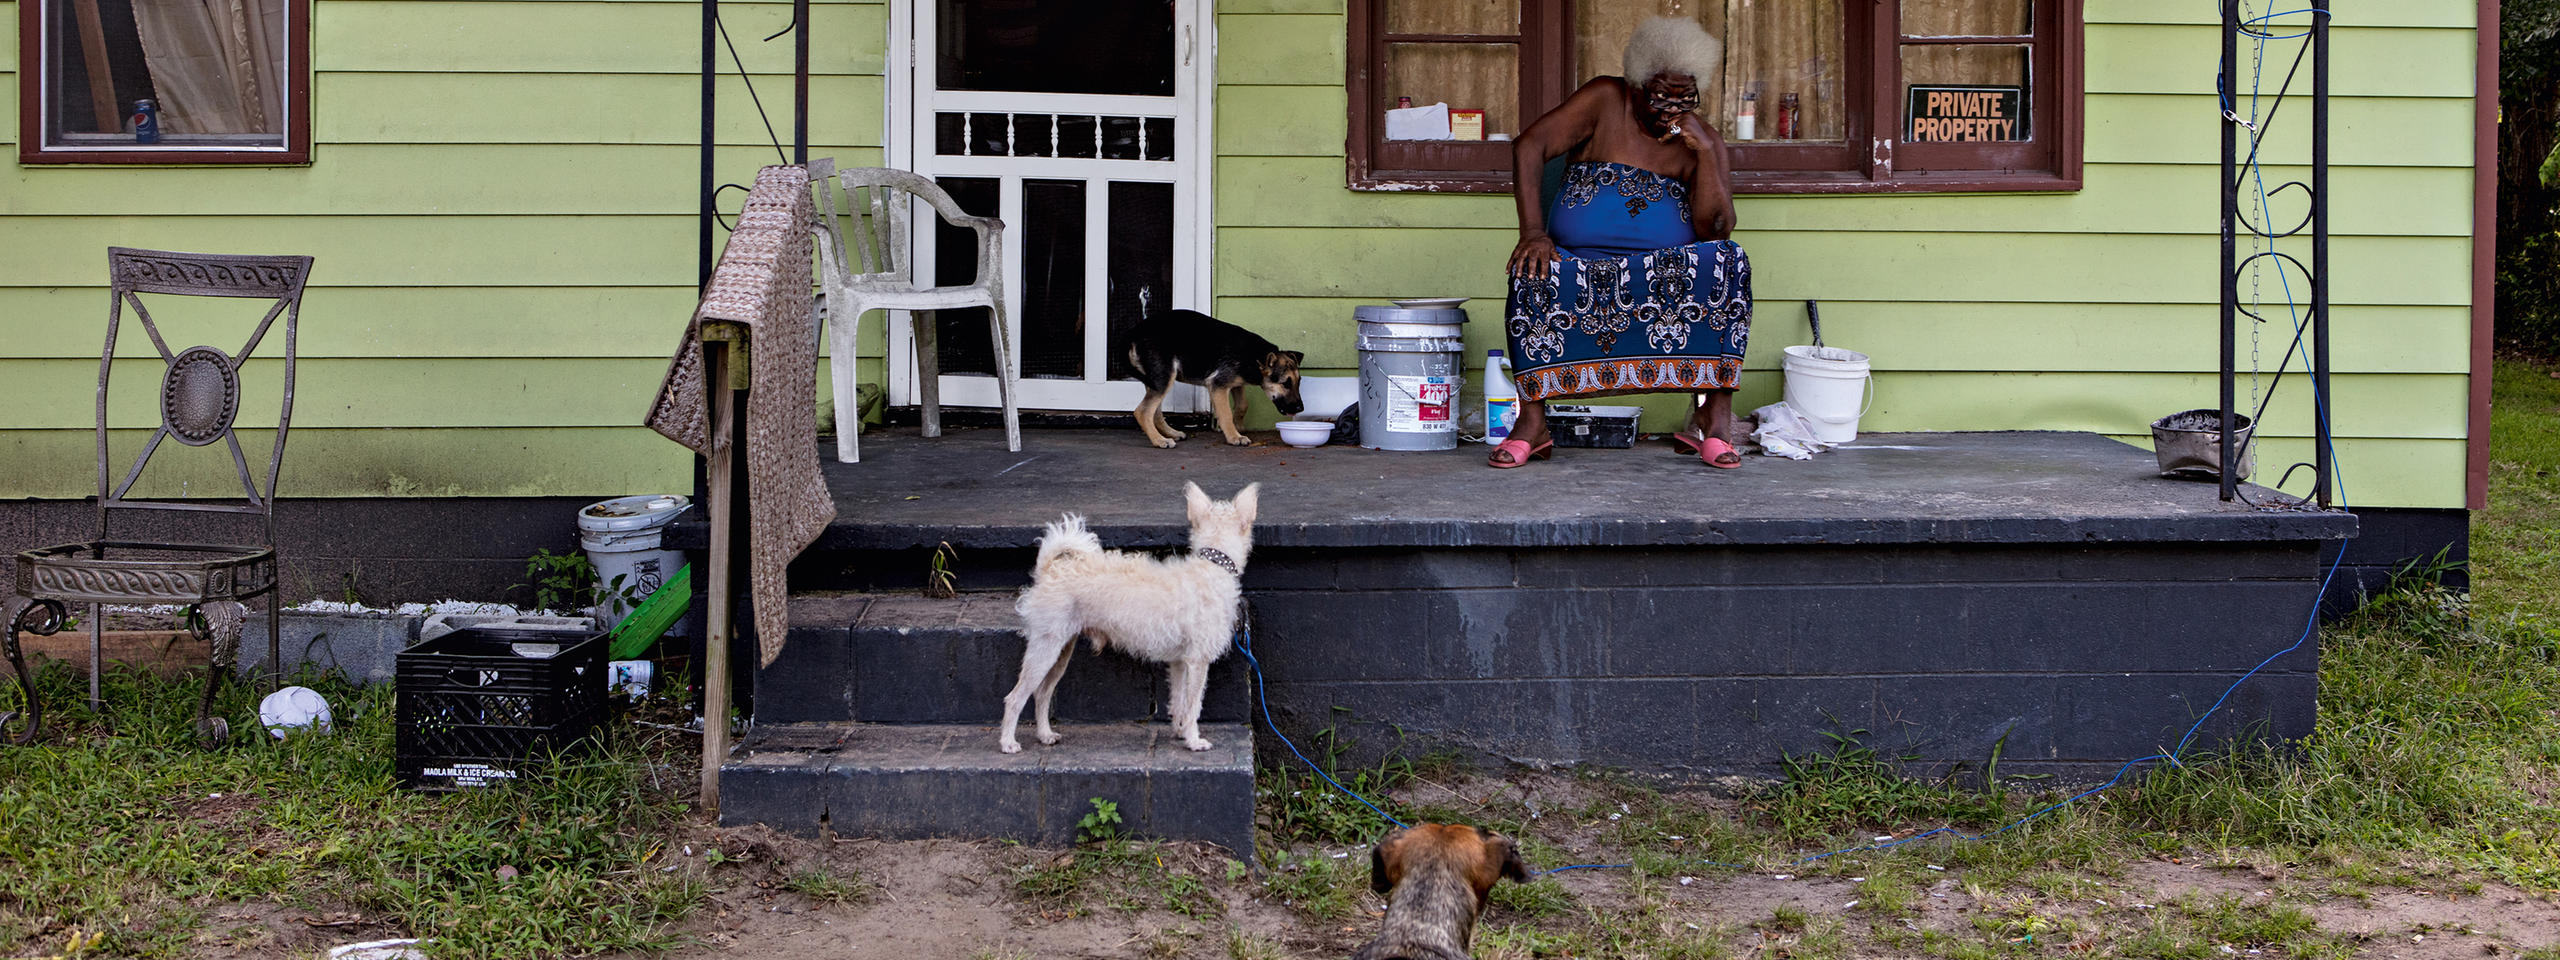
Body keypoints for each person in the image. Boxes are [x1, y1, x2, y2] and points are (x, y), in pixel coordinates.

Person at [1491, 17, 1750, 469]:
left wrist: (1706, 153)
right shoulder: (1606, 99)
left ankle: (1714, 421)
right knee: (1532, 270)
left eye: (1683, 99)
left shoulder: (1703, 140)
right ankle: (1533, 425)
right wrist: (1533, 232)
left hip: (1662, 272)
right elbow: (1529, 146)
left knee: (1729, 261)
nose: (1669, 111)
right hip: (1577, 263)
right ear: (1635, 85)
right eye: (1659, 98)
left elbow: (1716, 230)